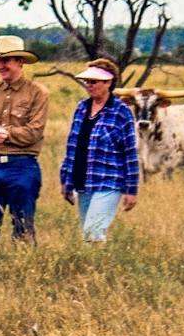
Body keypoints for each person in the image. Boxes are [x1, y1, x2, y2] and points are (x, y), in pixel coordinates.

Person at [0, 33, 49, 245]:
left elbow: (34, 132)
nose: (0, 65)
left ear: (20, 62)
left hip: (22, 166)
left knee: (23, 227)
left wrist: (6, 132)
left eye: (5, 60)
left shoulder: (38, 93)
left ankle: (23, 272)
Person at [60, 59, 140, 243]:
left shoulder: (121, 112)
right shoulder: (81, 108)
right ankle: (95, 269)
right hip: (83, 180)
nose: (89, 85)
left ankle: (99, 269)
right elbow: (72, 146)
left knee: (93, 231)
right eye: (87, 81)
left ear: (108, 83)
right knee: (87, 233)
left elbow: (130, 154)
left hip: (108, 181)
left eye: (94, 81)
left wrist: (132, 190)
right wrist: (66, 180)